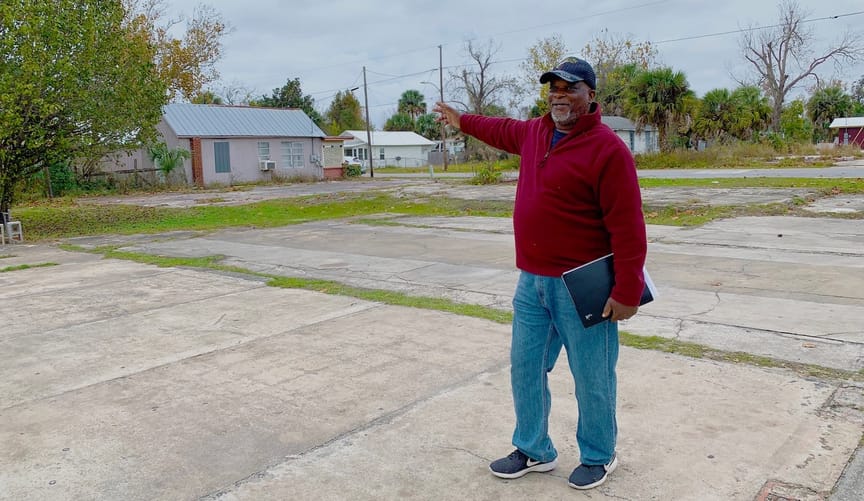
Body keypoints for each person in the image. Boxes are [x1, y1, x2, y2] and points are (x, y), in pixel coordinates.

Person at [433, 58, 647, 490]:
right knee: (525, 367)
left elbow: (628, 227)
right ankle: (534, 448)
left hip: (583, 285)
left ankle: (598, 455)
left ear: (591, 96)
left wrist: (628, 290)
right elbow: (498, 129)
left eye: (570, 88)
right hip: (532, 282)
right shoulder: (534, 133)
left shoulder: (608, 150)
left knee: (593, 376)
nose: (559, 95)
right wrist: (463, 121)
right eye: (553, 87)